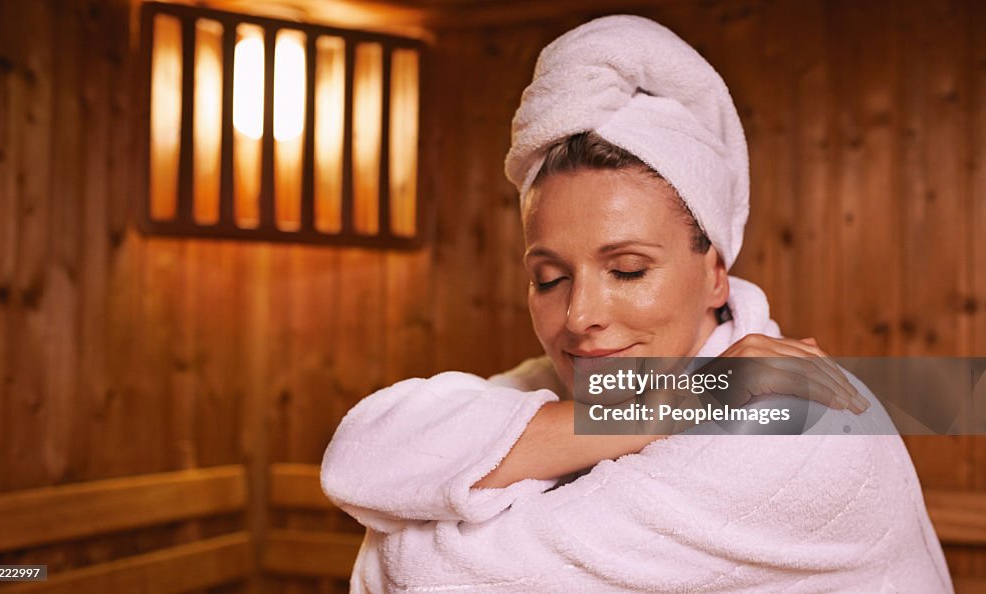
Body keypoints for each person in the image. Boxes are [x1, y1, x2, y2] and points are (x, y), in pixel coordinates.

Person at [321, 15, 952, 593]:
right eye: (548, 278)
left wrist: (398, 523)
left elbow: (431, 579)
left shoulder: (808, 427)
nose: (578, 316)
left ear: (715, 275)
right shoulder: (608, 385)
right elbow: (362, 455)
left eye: (627, 270)